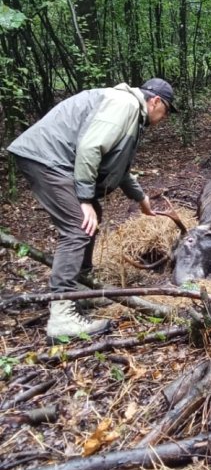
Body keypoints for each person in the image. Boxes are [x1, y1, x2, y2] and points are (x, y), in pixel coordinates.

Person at [7, 78, 176, 341]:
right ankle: (62, 314)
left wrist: (141, 199)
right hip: (47, 160)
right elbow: (90, 147)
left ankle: (79, 291)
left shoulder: (129, 110)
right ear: (155, 101)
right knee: (78, 227)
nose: (163, 118)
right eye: (165, 110)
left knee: (91, 214)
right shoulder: (125, 104)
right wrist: (84, 199)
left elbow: (118, 169)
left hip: (52, 161)